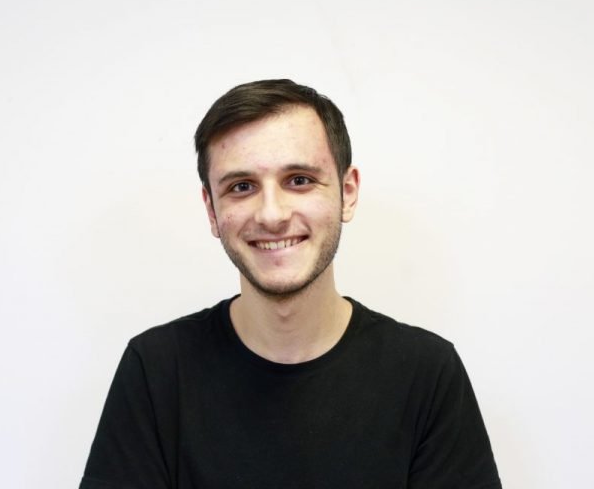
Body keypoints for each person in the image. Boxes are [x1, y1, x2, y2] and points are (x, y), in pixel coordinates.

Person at [80, 79, 502, 489]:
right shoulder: (155, 371)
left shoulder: (426, 373)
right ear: (212, 210)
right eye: (241, 187)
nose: (272, 214)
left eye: (299, 180)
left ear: (348, 192)